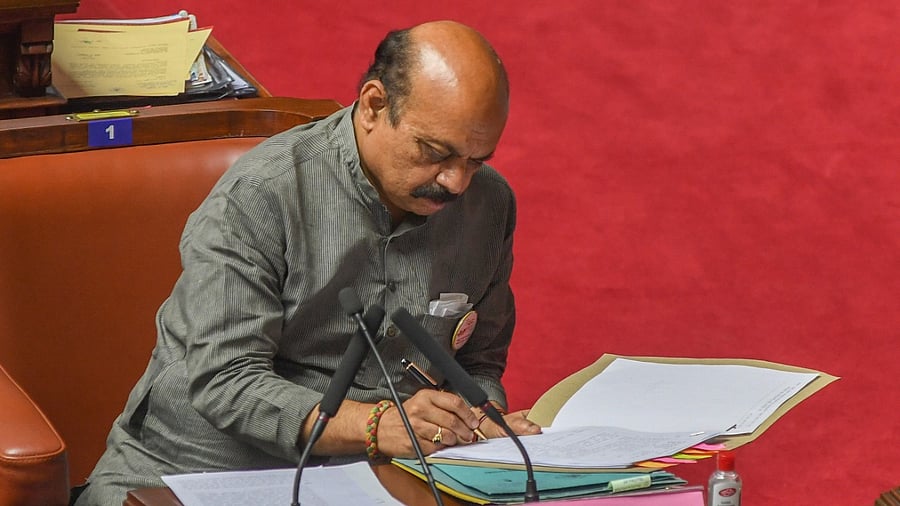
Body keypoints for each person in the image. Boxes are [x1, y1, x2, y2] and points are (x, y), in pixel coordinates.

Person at [74, 19, 541, 505]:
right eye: (435, 152)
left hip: (380, 479)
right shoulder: (260, 195)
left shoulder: (490, 206)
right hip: (194, 475)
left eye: (476, 160)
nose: (456, 183)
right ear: (373, 106)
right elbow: (225, 381)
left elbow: (477, 360)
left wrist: (476, 416)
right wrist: (377, 424)